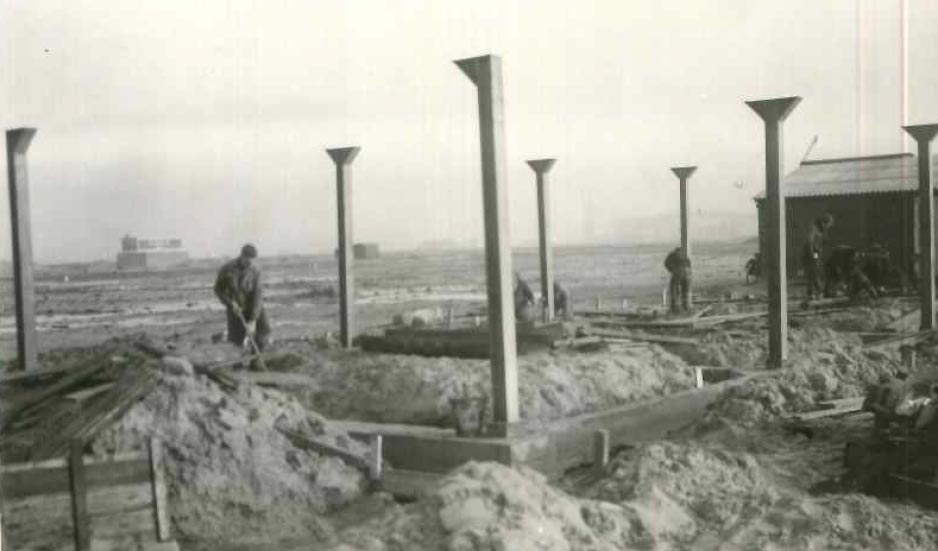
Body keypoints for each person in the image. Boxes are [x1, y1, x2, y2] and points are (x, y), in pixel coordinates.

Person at [214, 244, 270, 354]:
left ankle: (256, 363)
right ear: (241, 256)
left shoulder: (255, 270)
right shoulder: (227, 269)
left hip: (253, 305)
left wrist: (253, 319)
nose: (250, 262)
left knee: (264, 330)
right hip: (235, 307)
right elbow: (218, 290)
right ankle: (237, 365)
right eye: (247, 259)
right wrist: (230, 303)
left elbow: (258, 294)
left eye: (252, 260)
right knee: (236, 338)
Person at [803, 213, 834, 301]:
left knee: (815, 272)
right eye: (828, 225)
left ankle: (814, 292)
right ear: (825, 223)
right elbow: (810, 241)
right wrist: (812, 254)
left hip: (815, 253)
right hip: (812, 254)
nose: (828, 227)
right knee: (814, 272)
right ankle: (814, 292)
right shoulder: (814, 228)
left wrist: (826, 242)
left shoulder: (819, 229)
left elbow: (818, 241)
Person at [664, 247, 692, 314]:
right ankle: (686, 307)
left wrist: (671, 270)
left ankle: (675, 308)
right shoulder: (685, 256)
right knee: (685, 291)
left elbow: (666, 263)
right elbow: (689, 265)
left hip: (678, 272)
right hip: (687, 274)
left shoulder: (672, 255)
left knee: (674, 290)